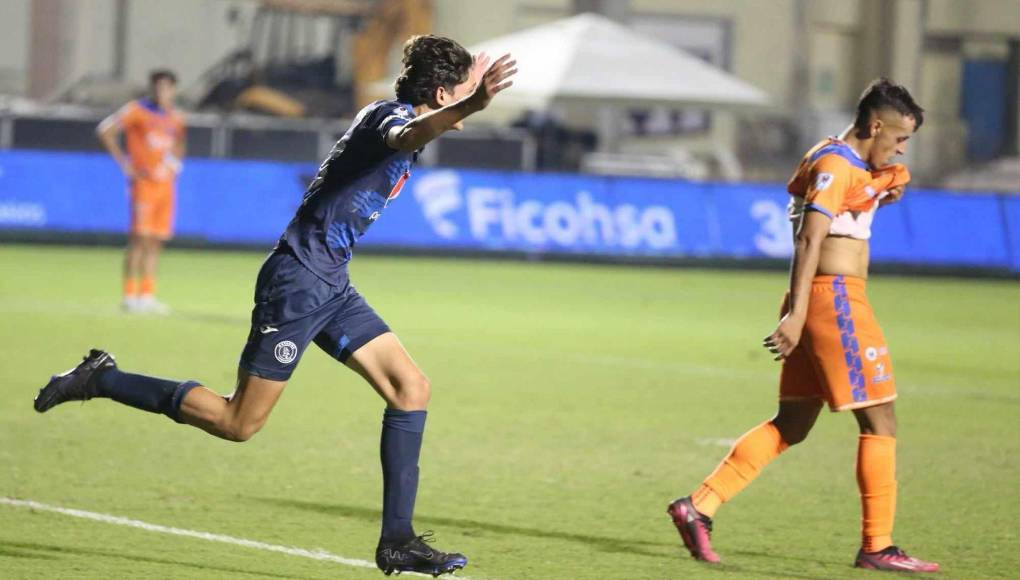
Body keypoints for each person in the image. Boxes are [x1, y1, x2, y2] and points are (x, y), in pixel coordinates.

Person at [37, 35, 516, 577]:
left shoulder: (400, 114)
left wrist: (469, 90)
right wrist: (471, 101)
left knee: (412, 388)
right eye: (462, 97)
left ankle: (398, 541)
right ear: (440, 93)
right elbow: (412, 131)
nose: (470, 108)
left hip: (330, 280)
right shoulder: (395, 120)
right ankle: (102, 378)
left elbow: (425, 123)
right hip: (298, 282)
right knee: (238, 422)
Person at [667, 78, 939, 573]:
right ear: (874, 126)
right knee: (881, 419)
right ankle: (877, 545)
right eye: (899, 138)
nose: (901, 149)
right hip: (834, 300)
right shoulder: (837, 164)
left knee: (792, 424)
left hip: (816, 300)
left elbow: (852, 198)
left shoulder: (842, 160)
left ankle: (698, 506)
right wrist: (795, 317)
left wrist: (884, 185)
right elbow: (810, 239)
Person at [97, 69, 186, 314]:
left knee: (156, 241)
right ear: (152, 88)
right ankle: (129, 295)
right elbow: (105, 131)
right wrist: (127, 166)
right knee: (139, 238)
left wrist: (174, 165)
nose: (162, 92)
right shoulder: (137, 110)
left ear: (173, 90)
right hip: (144, 184)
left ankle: (147, 295)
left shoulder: (175, 117)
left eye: (166, 87)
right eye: (158, 87)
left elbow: (179, 143)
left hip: (165, 186)